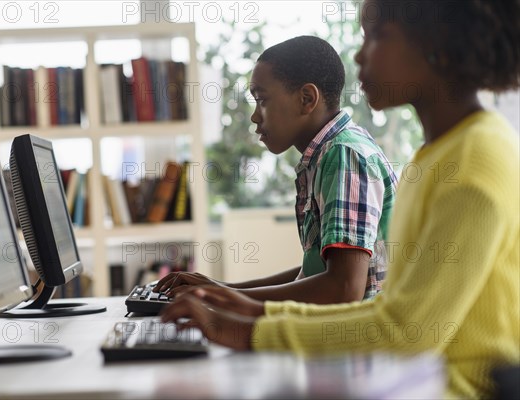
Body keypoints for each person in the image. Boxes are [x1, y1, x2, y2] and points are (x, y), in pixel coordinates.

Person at [161, 0, 520, 397]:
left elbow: (403, 331)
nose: (359, 54)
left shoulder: (473, 163)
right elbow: (390, 312)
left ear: (436, 44)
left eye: (378, 36)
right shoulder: (436, 156)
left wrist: (247, 328)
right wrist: (251, 309)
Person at [155, 35, 398, 306]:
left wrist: (224, 298)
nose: (255, 116)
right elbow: (316, 274)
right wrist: (220, 288)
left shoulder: (344, 155)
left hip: (360, 342)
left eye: (262, 100)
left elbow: (343, 288)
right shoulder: (328, 154)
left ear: (307, 98)